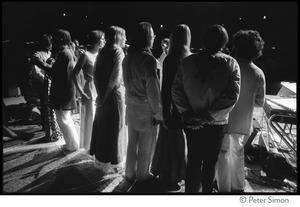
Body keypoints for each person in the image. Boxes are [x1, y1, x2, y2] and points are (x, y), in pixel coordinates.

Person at [171, 24, 240, 193]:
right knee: (210, 162)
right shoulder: (230, 63)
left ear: (203, 40)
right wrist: (208, 117)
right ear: (224, 42)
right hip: (216, 123)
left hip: (191, 121)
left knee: (193, 159)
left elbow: (177, 90)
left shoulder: (187, 62)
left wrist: (188, 113)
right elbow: (232, 95)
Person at [216, 30, 266, 193]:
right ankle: (237, 186)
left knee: (222, 153)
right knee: (238, 152)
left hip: (223, 117)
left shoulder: (226, 65)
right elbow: (260, 102)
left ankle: (222, 187)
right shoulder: (258, 73)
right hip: (243, 121)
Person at [151, 24, 191, 190]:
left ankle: (167, 175)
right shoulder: (190, 58)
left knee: (168, 143)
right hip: (186, 108)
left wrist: (165, 112)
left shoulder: (170, 59)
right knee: (180, 143)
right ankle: (178, 175)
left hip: (172, 108)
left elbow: (166, 88)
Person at [122, 22, 163, 184]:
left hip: (131, 105)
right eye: (152, 34)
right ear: (147, 37)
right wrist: (158, 113)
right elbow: (153, 90)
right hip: (145, 107)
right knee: (146, 145)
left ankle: (129, 173)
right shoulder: (148, 60)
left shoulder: (128, 58)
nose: (154, 37)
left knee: (132, 142)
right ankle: (143, 175)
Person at [90, 26, 126, 173]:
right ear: (118, 37)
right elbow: (115, 78)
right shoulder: (118, 52)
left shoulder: (102, 52)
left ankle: (102, 159)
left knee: (103, 128)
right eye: (124, 36)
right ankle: (114, 161)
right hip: (114, 95)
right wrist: (105, 97)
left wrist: (100, 95)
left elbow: (96, 76)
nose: (125, 39)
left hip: (102, 95)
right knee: (116, 127)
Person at [72, 30, 105, 151]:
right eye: (102, 39)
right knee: (91, 118)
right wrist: (81, 92)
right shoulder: (85, 55)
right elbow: (74, 74)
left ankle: (99, 146)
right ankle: (91, 147)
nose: (104, 41)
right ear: (96, 41)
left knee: (100, 119)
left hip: (100, 88)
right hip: (90, 88)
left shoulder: (101, 54)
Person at [29, 34, 62, 142]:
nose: (53, 45)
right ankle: (46, 127)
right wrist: (47, 81)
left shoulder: (50, 53)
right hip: (44, 84)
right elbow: (36, 72)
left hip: (52, 84)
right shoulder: (37, 54)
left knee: (51, 108)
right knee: (45, 106)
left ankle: (52, 128)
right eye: (51, 43)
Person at [50, 29, 79, 151]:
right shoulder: (69, 52)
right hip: (67, 89)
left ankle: (72, 145)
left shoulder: (63, 53)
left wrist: (40, 63)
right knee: (65, 118)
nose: (54, 41)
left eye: (56, 38)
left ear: (61, 39)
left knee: (63, 119)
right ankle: (72, 144)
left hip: (62, 90)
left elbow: (54, 72)